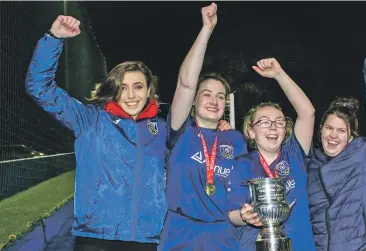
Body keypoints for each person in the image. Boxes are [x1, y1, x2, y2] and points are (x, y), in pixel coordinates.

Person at [25, 15, 167, 251]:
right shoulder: (90, 119)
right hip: (96, 240)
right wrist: (54, 38)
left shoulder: (161, 128)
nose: (131, 95)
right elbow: (39, 87)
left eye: (138, 86)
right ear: (113, 90)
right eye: (123, 88)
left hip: (145, 241)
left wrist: (221, 127)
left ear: (149, 90)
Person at [158, 3, 248, 250]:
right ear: (194, 100)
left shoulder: (235, 140)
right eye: (206, 94)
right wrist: (207, 29)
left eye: (220, 96)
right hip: (181, 233)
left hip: (223, 235)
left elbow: (240, 191)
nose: (214, 100)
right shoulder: (179, 130)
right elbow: (185, 83)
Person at [306, 54, 366, 251]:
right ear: (321, 129)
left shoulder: (365, 154)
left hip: (362, 247)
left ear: (351, 136)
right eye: (329, 128)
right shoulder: (310, 163)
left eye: (341, 130)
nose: (333, 135)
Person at [227, 58, 316, 251]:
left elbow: (307, 112)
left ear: (286, 130)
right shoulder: (238, 166)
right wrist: (243, 217)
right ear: (250, 131)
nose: (273, 127)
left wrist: (279, 75)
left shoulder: (294, 155)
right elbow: (230, 215)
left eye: (279, 122)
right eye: (265, 122)